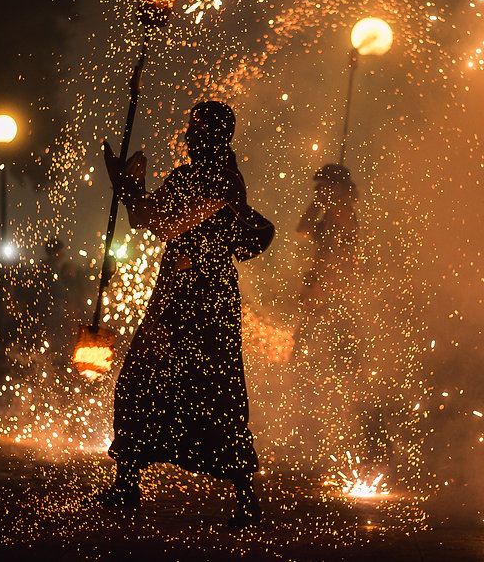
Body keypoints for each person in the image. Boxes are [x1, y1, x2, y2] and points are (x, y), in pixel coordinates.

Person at [97, 100, 274, 527]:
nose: (188, 137)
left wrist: (131, 189)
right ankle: (127, 481)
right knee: (146, 378)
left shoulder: (222, 179)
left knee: (214, 386)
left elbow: (165, 222)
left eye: (195, 130)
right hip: (182, 292)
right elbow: (148, 217)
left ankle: (244, 496)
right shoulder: (195, 176)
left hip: (201, 295)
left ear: (212, 135)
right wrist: (127, 187)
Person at [290, 163, 362, 463]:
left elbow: (340, 262)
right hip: (321, 299)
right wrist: (317, 204)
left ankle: (332, 436)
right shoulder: (329, 211)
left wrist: (320, 289)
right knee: (303, 361)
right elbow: (302, 230)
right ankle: (310, 434)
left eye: (323, 186)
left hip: (333, 301)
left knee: (325, 362)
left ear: (338, 188)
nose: (317, 191)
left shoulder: (343, 215)